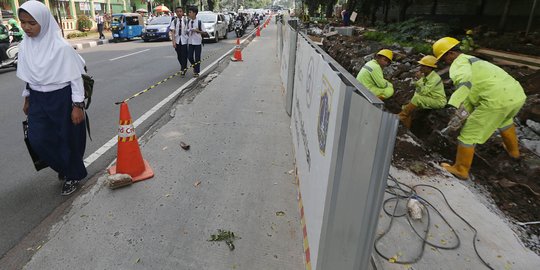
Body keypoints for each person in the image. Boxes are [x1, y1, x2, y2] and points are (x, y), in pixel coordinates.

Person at [18, 1, 88, 195]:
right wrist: (27, 98)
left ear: (44, 22)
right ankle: (64, 167)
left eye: (32, 23)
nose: (26, 27)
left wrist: (77, 105)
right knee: (37, 139)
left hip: (62, 98)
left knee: (68, 138)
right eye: (23, 22)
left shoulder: (61, 48)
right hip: (38, 99)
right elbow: (28, 75)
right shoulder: (24, 46)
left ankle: (72, 174)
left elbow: (75, 77)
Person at [432, 37, 526, 180]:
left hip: (496, 101)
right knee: (505, 120)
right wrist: (462, 113)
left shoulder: (458, 66)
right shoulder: (472, 59)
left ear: (450, 54)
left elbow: (464, 83)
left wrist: (454, 104)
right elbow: (473, 93)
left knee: (468, 134)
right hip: (516, 95)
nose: (444, 62)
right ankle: (514, 152)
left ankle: (460, 169)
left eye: (444, 58)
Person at [398, 55, 447, 128]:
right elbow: (418, 89)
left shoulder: (435, 78)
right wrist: (416, 80)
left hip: (438, 101)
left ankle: (400, 117)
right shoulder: (426, 75)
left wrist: (420, 80)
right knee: (407, 106)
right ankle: (405, 127)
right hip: (429, 97)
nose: (421, 67)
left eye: (423, 66)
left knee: (417, 99)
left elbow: (424, 91)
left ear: (429, 68)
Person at [170, 6, 188, 76]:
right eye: (177, 12)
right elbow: (173, 33)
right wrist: (173, 42)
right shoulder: (174, 21)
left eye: (180, 11)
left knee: (184, 55)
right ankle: (184, 66)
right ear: (176, 13)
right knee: (179, 56)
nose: (179, 13)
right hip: (177, 41)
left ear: (182, 12)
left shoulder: (186, 20)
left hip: (185, 40)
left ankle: (183, 69)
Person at [187, 6, 203, 78]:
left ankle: (196, 71)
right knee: (190, 56)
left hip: (197, 42)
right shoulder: (189, 22)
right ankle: (195, 67)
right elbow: (186, 30)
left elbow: (205, 32)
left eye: (190, 12)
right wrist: (187, 31)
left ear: (194, 13)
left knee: (197, 57)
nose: (189, 13)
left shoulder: (199, 22)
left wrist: (197, 31)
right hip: (190, 42)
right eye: (189, 12)